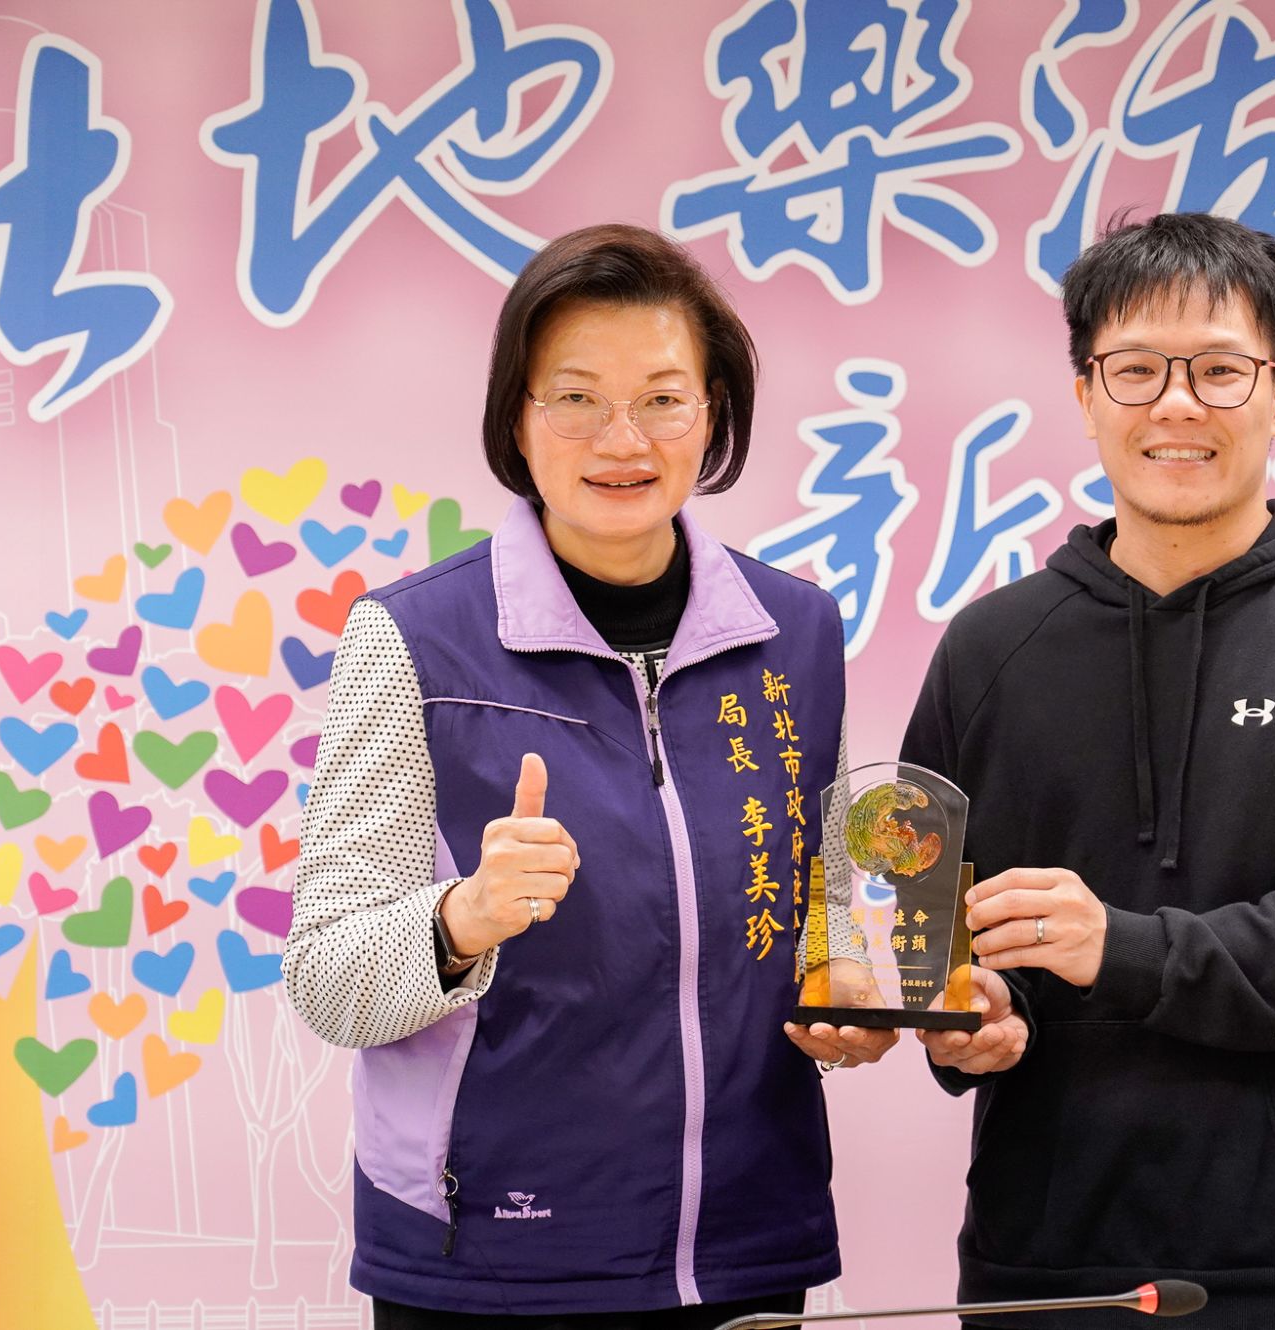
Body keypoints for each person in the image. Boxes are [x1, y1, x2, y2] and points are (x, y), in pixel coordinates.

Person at [287, 224, 894, 1328]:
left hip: (745, 1247)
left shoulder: (795, 631)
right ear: (516, 418)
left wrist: (842, 984)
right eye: (575, 398)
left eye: (662, 398)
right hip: (493, 1261)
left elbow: (825, 904)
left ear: (712, 412)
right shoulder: (414, 640)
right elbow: (327, 978)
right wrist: (462, 918)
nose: (622, 438)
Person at [905, 212, 1275, 1330]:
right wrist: (970, 1020)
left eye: (1220, 370)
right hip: (1040, 1272)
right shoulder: (989, 649)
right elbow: (935, 941)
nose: (1176, 404)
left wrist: (1122, 949)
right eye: (1135, 369)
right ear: (1085, 394)